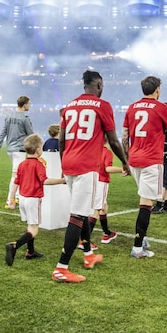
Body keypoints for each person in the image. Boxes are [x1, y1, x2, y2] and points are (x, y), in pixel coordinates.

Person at [54, 70, 128, 282]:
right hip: (87, 166)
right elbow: (113, 141)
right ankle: (61, 267)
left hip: (69, 163)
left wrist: (63, 162)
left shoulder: (69, 106)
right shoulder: (103, 106)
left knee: (83, 210)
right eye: (102, 85)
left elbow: (61, 140)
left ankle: (88, 255)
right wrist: (125, 162)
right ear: (98, 85)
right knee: (78, 215)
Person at [123, 76, 167, 258]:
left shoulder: (132, 107)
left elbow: (125, 137)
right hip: (151, 160)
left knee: (144, 198)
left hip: (134, 160)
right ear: (157, 89)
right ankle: (137, 247)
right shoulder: (162, 107)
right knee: (146, 203)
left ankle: (143, 238)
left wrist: (126, 160)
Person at [5, 134, 66, 265]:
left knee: (30, 225)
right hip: (33, 199)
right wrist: (62, 180)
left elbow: (16, 182)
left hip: (22, 198)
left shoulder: (22, 164)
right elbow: (45, 181)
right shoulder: (38, 165)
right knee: (34, 229)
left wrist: (11, 199)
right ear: (38, 150)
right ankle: (15, 245)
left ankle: (30, 251)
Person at [0, 96, 34, 209]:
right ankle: (10, 200)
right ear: (24, 104)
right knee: (15, 175)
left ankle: (17, 197)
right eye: (29, 104)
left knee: (19, 174)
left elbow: (3, 133)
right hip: (19, 150)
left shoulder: (9, 116)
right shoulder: (25, 118)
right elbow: (31, 135)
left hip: (10, 150)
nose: (29, 106)